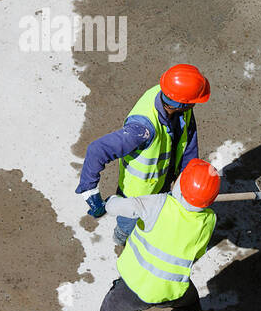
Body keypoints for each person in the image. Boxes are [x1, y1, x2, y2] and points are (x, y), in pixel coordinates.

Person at [71, 160, 220, 311]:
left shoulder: (159, 203)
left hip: (132, 288)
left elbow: (118, 206)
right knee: (191, 306)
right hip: (173, 288)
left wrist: (106, 202)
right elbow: (198, 253)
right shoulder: (209, 220)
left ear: (180, 186)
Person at [77, 64, 210, 249]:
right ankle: (121, 240)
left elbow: (188, 141)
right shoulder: (142, 130)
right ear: (182, 103)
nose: (195, 104)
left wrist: (186, 180)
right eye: (193, 101)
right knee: (128, 226)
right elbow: (97, 150)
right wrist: (89, 191)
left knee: (156, 223)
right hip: (136, 197)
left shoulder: (174, 100)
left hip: (162, 184)